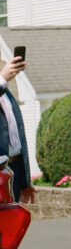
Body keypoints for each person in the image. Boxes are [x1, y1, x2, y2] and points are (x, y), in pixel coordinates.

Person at [0, 52, 34, 204]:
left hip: (14, 170)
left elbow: (18, 137)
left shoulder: (6, 91)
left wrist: (25, 182)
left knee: (12, 225)